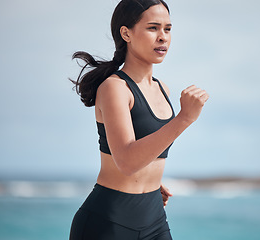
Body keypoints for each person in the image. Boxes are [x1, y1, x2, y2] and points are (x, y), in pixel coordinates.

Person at [69, 0, 209, 239]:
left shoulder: (162, 88)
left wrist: (149, 183)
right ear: (126, 33)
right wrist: (184, 118)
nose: (163, 37)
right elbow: (127, 161)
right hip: (107, 224)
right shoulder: (115, 88)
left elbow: (147, 154)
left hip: (154, 219)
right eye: (153, 28)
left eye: (168, 29)